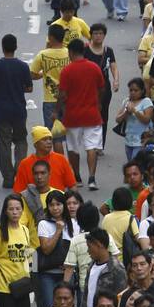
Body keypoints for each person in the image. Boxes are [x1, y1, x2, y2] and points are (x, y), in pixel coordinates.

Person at [0, 34, 34, 189]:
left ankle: (7, 178)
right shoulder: (23, 66)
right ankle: (19, 172)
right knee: (20, 141)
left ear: (2, 47)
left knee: (4, 144)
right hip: (18, 110)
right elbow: (29, 88)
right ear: (16, 47)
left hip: (1, 111)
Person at [57, 38, 106, 192]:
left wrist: (57, 110)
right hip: (92, 114)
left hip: (72, 116)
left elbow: (62, 95)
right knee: (91, 146)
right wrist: (98, 103)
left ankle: (77, 177)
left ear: (71, 52)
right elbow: (101, 88)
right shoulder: (94, 68)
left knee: (73, 148)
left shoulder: (66, 71)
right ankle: (92, 178)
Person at [29, 23, 69, 133]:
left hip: (50, 100)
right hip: (68, 99)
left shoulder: (43, 54)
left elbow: (32, 74)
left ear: (50, 37)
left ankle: (58, 151)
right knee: (70, 134)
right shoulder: (70, 53)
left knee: (55, 135)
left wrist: (43, 74)